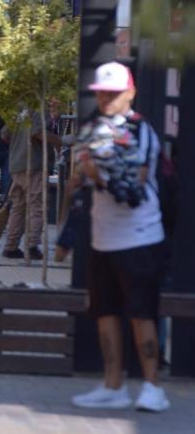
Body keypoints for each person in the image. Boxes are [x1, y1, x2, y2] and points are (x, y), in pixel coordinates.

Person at [70, 62, 169, 412]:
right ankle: (113, 385)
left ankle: (153, 386)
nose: (107, 99)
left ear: (130, 93)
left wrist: (95, 173)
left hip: (140, 237)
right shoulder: (93, 129)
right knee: (105, 311)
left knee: (142, 313)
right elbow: (76, 179)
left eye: (113, 93)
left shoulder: (141, 131)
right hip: (102, 237)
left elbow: (135, 182)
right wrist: (82, 175)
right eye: (102, 93)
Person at [0, 107, 60, 260]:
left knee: (18, 206)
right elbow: (37, 132)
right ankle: (32, 245)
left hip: (16, 163)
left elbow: (4, 134)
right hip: (34, 163)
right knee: (37, 205)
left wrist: (19, 143)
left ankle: (10, 246)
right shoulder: (40, 106)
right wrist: (61, 141)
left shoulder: (19, 108)